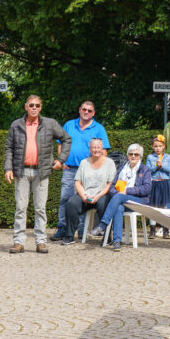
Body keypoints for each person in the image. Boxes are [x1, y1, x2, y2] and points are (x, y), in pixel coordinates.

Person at [4, 95, 71, 254]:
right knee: (21, 207)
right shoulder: (16, 125)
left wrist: (60, 160)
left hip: (42, 172)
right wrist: (8, 168)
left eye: (37, 105)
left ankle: (41, 241)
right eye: (31, 105)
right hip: (21, 171)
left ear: (40, 107)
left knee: (40, 208)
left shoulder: (50, 123)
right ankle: (19, 242)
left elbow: (66, 139)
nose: (34, 108)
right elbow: (9, 148)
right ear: (26, 106)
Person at [53, 100, 111, 241]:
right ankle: (63, 228)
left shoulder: (99, 128)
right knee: (65, 199)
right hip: (70, 169)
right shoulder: (69, 125)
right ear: (79, 110)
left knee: (84, 198)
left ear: (93, 113)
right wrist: (62, 160)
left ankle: (80, 229)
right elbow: (61, 143)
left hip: (88, 172)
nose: (86, 112)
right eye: (84, 109)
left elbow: (104, 151)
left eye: (89, 110)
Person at [93, 143, 152, 251]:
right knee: (118, 207)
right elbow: (112, 186)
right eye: (131, 154)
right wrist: (118, 194)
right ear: (128, 155)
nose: (133, 156)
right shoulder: (121, 169)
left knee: (119, 198)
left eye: (136, 154)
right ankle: (117, 241)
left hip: (139, 201)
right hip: (121, 199)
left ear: (140, 156)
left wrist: (127, 191)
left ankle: (102, 225)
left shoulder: (145, 170)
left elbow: (147, 189)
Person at [59, 138, 115, 245]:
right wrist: (83, 195)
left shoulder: (110, 163)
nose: (96, 150)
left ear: (102, 148)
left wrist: (98, 196)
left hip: (102, 194)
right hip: (86, 194)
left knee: (104, 204)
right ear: (90, 149)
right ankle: (69, 235)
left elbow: (109, 184)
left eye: (98, 147)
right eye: (94, 147)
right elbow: (77, 182)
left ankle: (107, 237)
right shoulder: (84, 163)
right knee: (71, 203)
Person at [148, 135, 170, 239]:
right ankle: (152, 229)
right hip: (154, 182)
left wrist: (162, 166)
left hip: (164, 183)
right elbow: (149, 170)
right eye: (155, 146)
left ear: (163, 146)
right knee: (153, 206)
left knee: (164, 206)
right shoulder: (150, 157)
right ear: (152, 147)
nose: (158, 148)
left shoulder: (167, 157)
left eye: (160, 146)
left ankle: (166, 230)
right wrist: (156, 166)